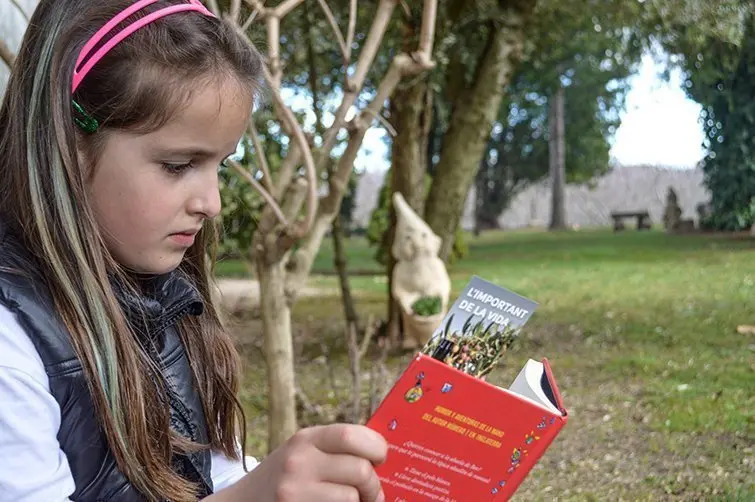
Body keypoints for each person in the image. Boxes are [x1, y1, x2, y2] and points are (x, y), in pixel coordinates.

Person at [0, 1, 388, 501]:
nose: (213, 203)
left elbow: (209, 475)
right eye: (179, 165)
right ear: (69, 145)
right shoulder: (11, 344)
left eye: (221, 165)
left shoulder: (163, 297)